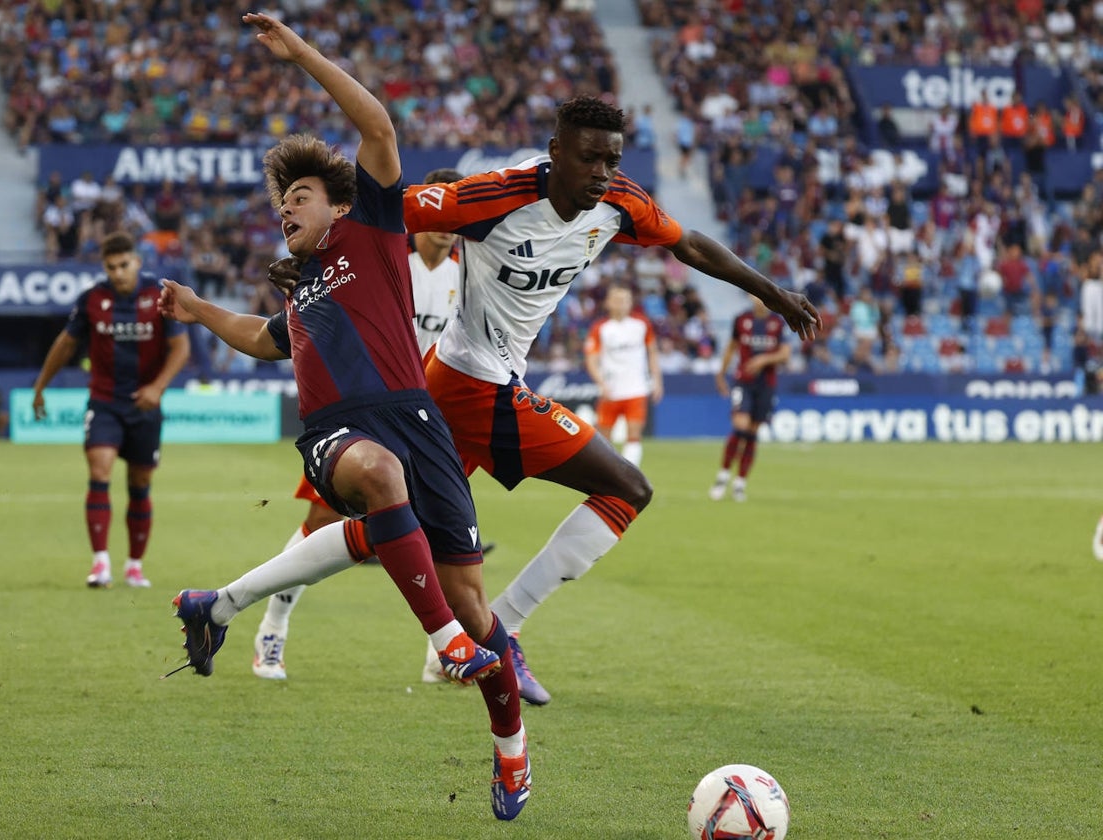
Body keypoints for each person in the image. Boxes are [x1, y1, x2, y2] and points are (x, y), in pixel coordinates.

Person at [253, 95, 819, 709]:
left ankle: (232, 605)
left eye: (611, 159)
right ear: (556, 153)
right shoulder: (492, 198)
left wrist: (770, 292)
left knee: (385, 531)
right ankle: (283, 628)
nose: (602, 171)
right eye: (588, 158)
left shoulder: (622, 203)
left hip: (451, 384)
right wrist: (308, 253)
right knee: (622, 488)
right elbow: (382, 207)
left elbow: (689, 244)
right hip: (435, 389)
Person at [156, 15, 530, 821]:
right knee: (377, 483)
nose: (285, 208)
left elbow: (378, 125)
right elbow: (263, 341)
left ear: (336, 204)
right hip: (338, 431)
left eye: (299, 195)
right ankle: (443, 646)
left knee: (477, 607)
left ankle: (510, 750)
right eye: (280, 201)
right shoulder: (298, 287)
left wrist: (301, 56)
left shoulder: (376, 226)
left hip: (416, 419)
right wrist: (195, 308)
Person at [250, 166, 473, 684]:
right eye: (435, 213)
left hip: (423, 420)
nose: (444, 225)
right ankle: (273, 626)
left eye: (454, 215)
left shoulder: (464, 276)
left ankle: (440, 657)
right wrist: (291, 271)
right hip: (358, 414)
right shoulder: (388, 254)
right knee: (320, 526)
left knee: (441, 541)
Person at [32, 231, 190, 588]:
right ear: (104, 267)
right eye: (111, 267)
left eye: (124, 264)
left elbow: (180, 348)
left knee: (140, 482)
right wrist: (40, 388)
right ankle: (100, 563)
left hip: (144, 404)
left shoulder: (158, 296)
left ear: (136, 261)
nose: (118, 272)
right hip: (104, 402)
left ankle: (134, 565)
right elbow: (65, 344)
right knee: (99, 470)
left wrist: (157, 387)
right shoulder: (91, 299)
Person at [709, 295, 791, 502]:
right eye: (755, 294)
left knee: (753, 434)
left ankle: (740, 483)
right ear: (750, 296)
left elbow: (785, 354)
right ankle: (723, 474)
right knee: (740, 426)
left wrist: (764, 359)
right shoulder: (741, 319)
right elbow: (731, 346)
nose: (759, 299)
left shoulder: (777, 322)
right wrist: (721, 373)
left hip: (766, 384)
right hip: (743, 381)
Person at [583, 282, 663, 467]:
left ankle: (629, 473)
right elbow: (591, 359)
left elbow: (652, 352)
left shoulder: (641, 324)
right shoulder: (600, 328)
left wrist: (657, 381)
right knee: (603, 437)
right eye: (617, 300)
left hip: (636, 388)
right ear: (608, 303)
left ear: (631, 302)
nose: (621, 304)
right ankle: (606, 473)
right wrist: (601, 383)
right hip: (611, 390)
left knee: (634, 434)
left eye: (625, 300)